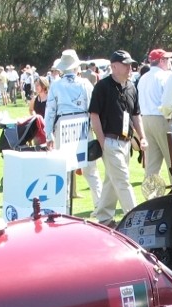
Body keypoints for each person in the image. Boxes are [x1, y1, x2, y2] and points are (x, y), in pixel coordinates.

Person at [89, 50, 146, 226]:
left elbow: (136, 115)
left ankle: (104, 217)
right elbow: (94, 115)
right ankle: (136, 220)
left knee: (112, 181)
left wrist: (142, 137)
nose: (130, 67)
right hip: (110, 141)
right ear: (114, 66)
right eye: (126, 64)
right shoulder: (102, 87)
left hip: (126, 142)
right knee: (122, 180)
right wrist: (102, 141)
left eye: (131, 64)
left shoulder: (131, 87)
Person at [44, 49, 102, 210]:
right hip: (83, 125)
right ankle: (99, 205)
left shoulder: (56, 85)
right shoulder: (85, 84)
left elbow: (50, 112)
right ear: (76, 67)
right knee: (90, 170)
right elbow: (92, 108)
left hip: (63, 126)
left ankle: (63, 206)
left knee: (63, 169)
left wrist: (48, 134)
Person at [137, 48, 172, 198]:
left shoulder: (143, 78)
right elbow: (168, 101)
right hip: (162, 118)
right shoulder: (165, 77)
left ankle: (151, 197)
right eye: (167, 59)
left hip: (146, 119)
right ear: (162, 61)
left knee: (151, 164)